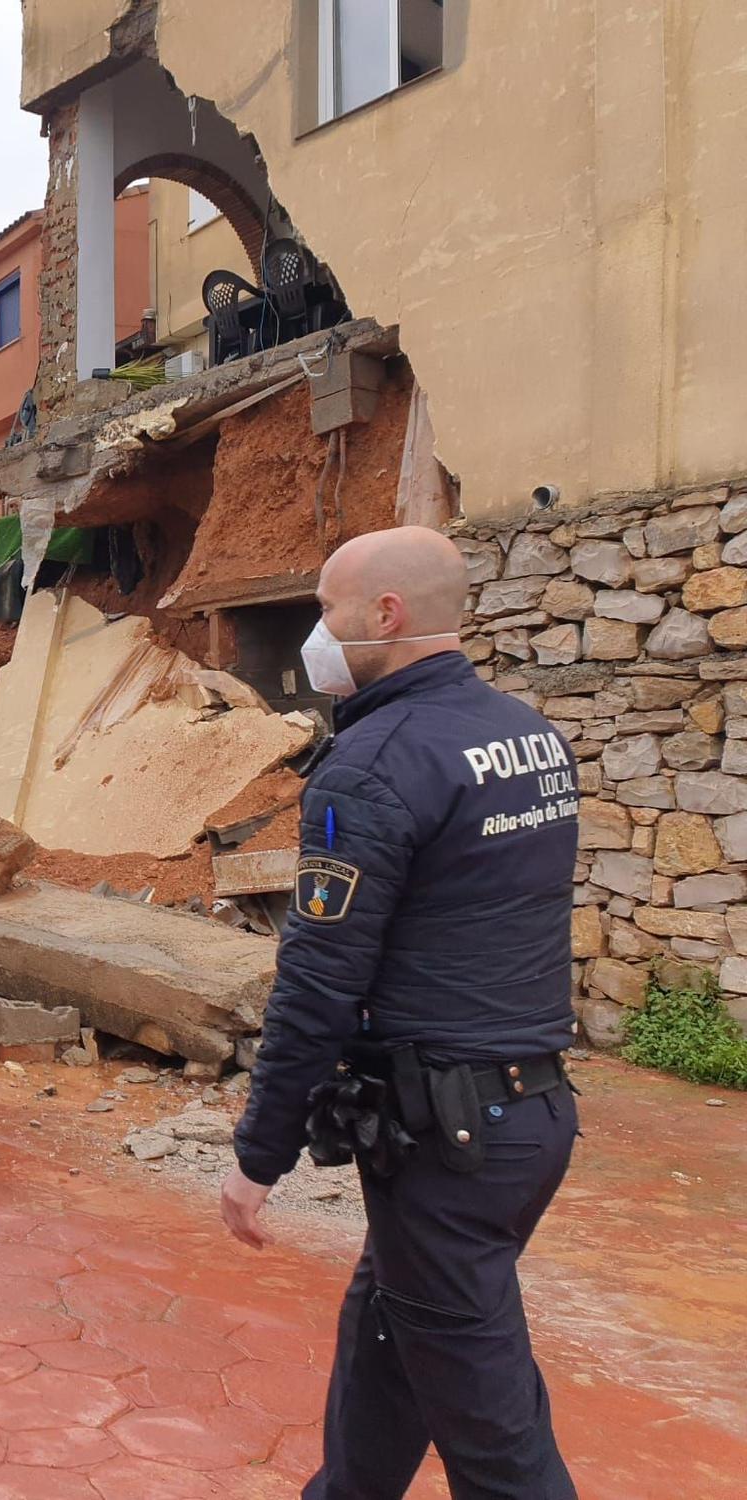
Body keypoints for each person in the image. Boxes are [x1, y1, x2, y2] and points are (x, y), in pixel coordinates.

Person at [220, 526, 580, 1499]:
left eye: (327, 610)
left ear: (384, 616)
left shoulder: (370, 765)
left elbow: (316, 983)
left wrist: (259, 1157)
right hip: (526, 1114)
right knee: (385, 1334)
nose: (314, 633)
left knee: (498, 1448)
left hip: (448, 1142)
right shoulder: (528, 737)